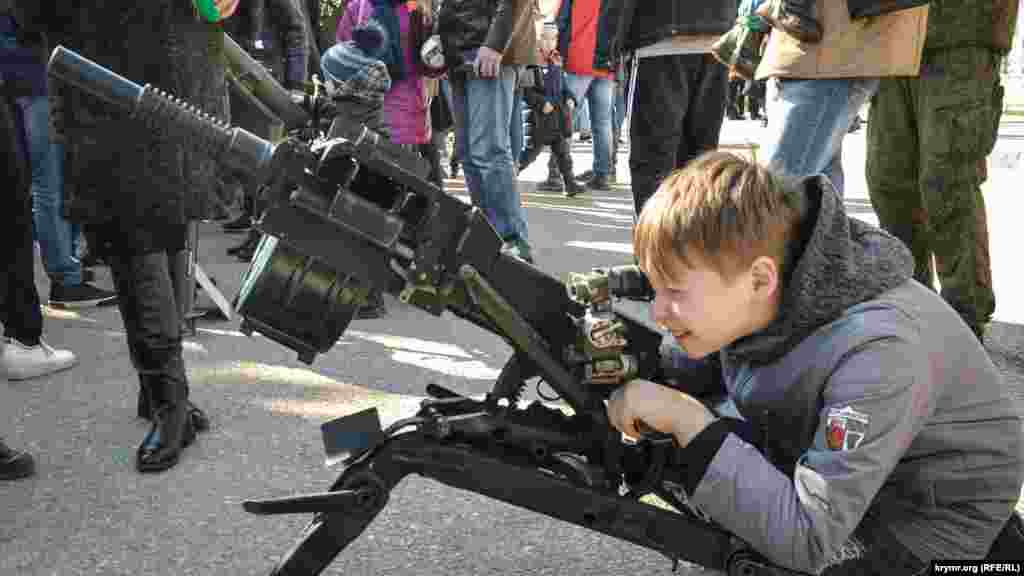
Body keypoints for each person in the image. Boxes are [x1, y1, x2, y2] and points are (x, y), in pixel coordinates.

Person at [609, 151, 1024, 574]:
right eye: (654, 287)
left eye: (675, 292)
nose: (659, 312)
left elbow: (808, 540)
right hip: (859, 476)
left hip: (924, 520)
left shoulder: (879, 355)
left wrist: (686, 420)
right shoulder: (781, 278)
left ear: (759, 279)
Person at [29, 0, 211, 474]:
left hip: (135, 88)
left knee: (148, 238)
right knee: (141, 238)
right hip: (107, 85)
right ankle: (165, 397)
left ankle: (168, 400)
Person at [866, 0, 1019, 342]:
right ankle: (911, 307)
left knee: (946, 182)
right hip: (892, 34)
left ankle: (963, 320)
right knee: (889, 184)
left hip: (963, 32)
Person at [0, 11, 117, 309]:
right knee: (50, 184)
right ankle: (65, 277)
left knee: (53, 182)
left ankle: (67, 268)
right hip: (34, 75)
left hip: (30, 73)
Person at [609, 0, 736, 217]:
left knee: (653, 160)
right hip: (716, 36)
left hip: (660, 37)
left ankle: (654, 244)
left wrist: (608, 48)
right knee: (700, 158)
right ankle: (690, 242)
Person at [437, 0, 538, 264]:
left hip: (488, 46)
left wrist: (495, 43)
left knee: (488, 151)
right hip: (460, 48)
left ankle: (513, 240)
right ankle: (488, 236)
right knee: (469, 153)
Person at [556, 0, 614, 191]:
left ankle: (557, 173)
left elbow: (561, 20)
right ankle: (603, 174)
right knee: (603, 123)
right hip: (605, 61)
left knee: (566, 119)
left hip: (579, 57)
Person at [518, 28, 583, 198]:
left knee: (563, 153)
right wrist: (540, 102)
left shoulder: (556, 61)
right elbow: (526, 91)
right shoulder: (531, 62)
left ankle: (570, 184)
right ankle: (508, 180)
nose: (549, 43)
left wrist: (570, 98)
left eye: (553, 39)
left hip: (557, 117)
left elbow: (564, 87)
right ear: (537, 39)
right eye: (545, 39)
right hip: (539, 118)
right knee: (530, 154)